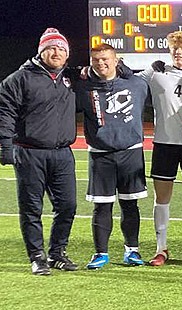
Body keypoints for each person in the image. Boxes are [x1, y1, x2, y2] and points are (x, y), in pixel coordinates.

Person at [0, 28, 80, 275]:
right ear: (41, 51)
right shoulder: (19, 78)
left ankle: (57, 253)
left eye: (61, 49)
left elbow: (105, 72)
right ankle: (37, 257)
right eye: (51, 48)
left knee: (68, 205)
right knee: (31, 208)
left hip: (63, 154)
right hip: (29, 152)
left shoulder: (71, 77)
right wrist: (5, 146)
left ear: (67, 54)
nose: (56, 52)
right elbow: (5, 113)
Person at [75, 44, 149, 269]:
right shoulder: (83, 88)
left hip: (131, 152)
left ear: (116, 60)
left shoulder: (136, 83)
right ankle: (100, 253)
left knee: (130, 205)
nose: (101, 63)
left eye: (106, 59)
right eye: (96, 60)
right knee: (102, 207)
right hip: (100, 155)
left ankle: (132, 251)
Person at [137, 31, 182, 266]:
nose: (178, 52)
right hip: (164, 144)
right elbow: (125, 76)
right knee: (162, 198)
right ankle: (161, 248)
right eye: (175, 48)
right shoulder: (155, 73)